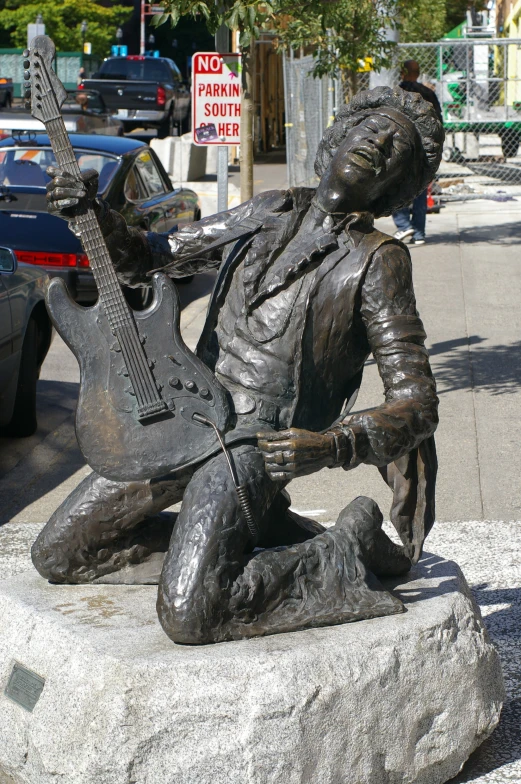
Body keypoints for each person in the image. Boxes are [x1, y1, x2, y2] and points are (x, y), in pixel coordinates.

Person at [34, 86, 443, 645]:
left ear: (398, 181)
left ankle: (341, 548)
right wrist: (96, 218)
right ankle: (257, 547)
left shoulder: (378, 260)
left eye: (396, 147)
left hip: (255, 444)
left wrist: (329, 446)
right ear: (339, 135)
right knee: (60, 553)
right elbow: (155, 256)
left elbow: (417, 403)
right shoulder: (268, 208)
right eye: (370, 127)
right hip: (186, 412)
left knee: (188, 614)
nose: (377, 142)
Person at [393, 60, 443, 247]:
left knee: (397, 187)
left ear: (402, 73)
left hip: (403, 146)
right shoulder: (428, 93)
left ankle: (404, 224)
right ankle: (419, 233)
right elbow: (439, 121)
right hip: (425, 148)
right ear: (418, 72)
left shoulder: (396, 93)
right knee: (421, 188)